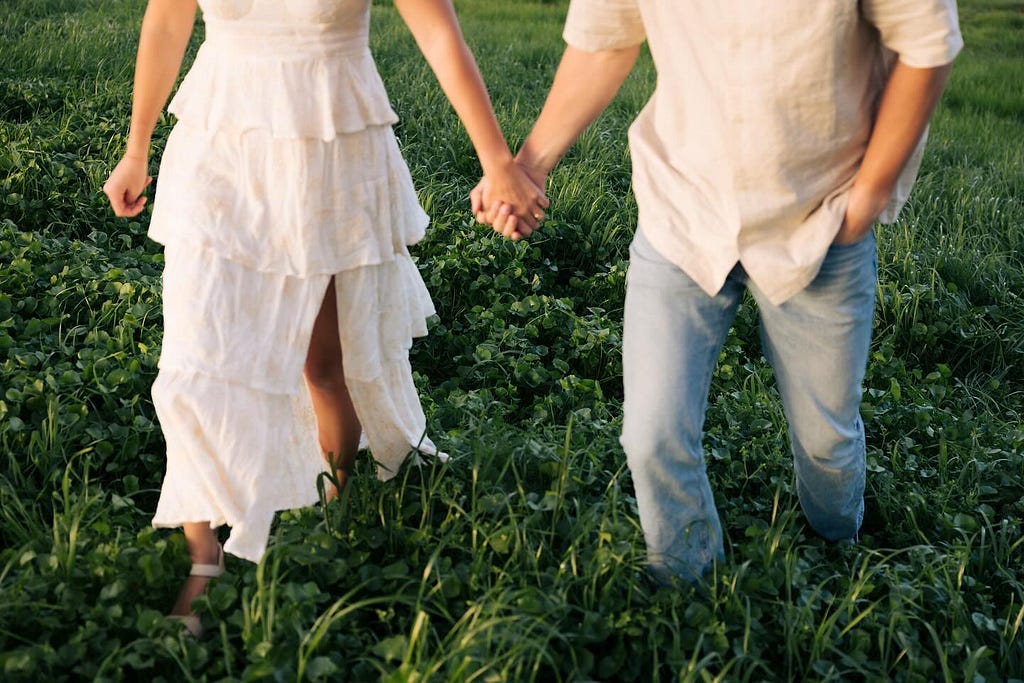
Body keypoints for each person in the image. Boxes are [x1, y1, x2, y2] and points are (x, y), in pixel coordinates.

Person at [473, 0, 962, 583]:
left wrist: (867, 199)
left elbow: (927, 45)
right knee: (652, 434)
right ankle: (688, 587)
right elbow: (605, 39)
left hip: (819, 217)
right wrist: (530, 166)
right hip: (682, 210)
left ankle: (836, 554)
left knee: (826, 439)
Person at [103, 0, 547, 635]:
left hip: (329, 145)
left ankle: (331, 517)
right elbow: (168, 20)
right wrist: (136, 146)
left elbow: (437, 30)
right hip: (220, 142)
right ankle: (204, 555)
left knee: (323, 365)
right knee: (195, 355)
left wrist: (497, 160)